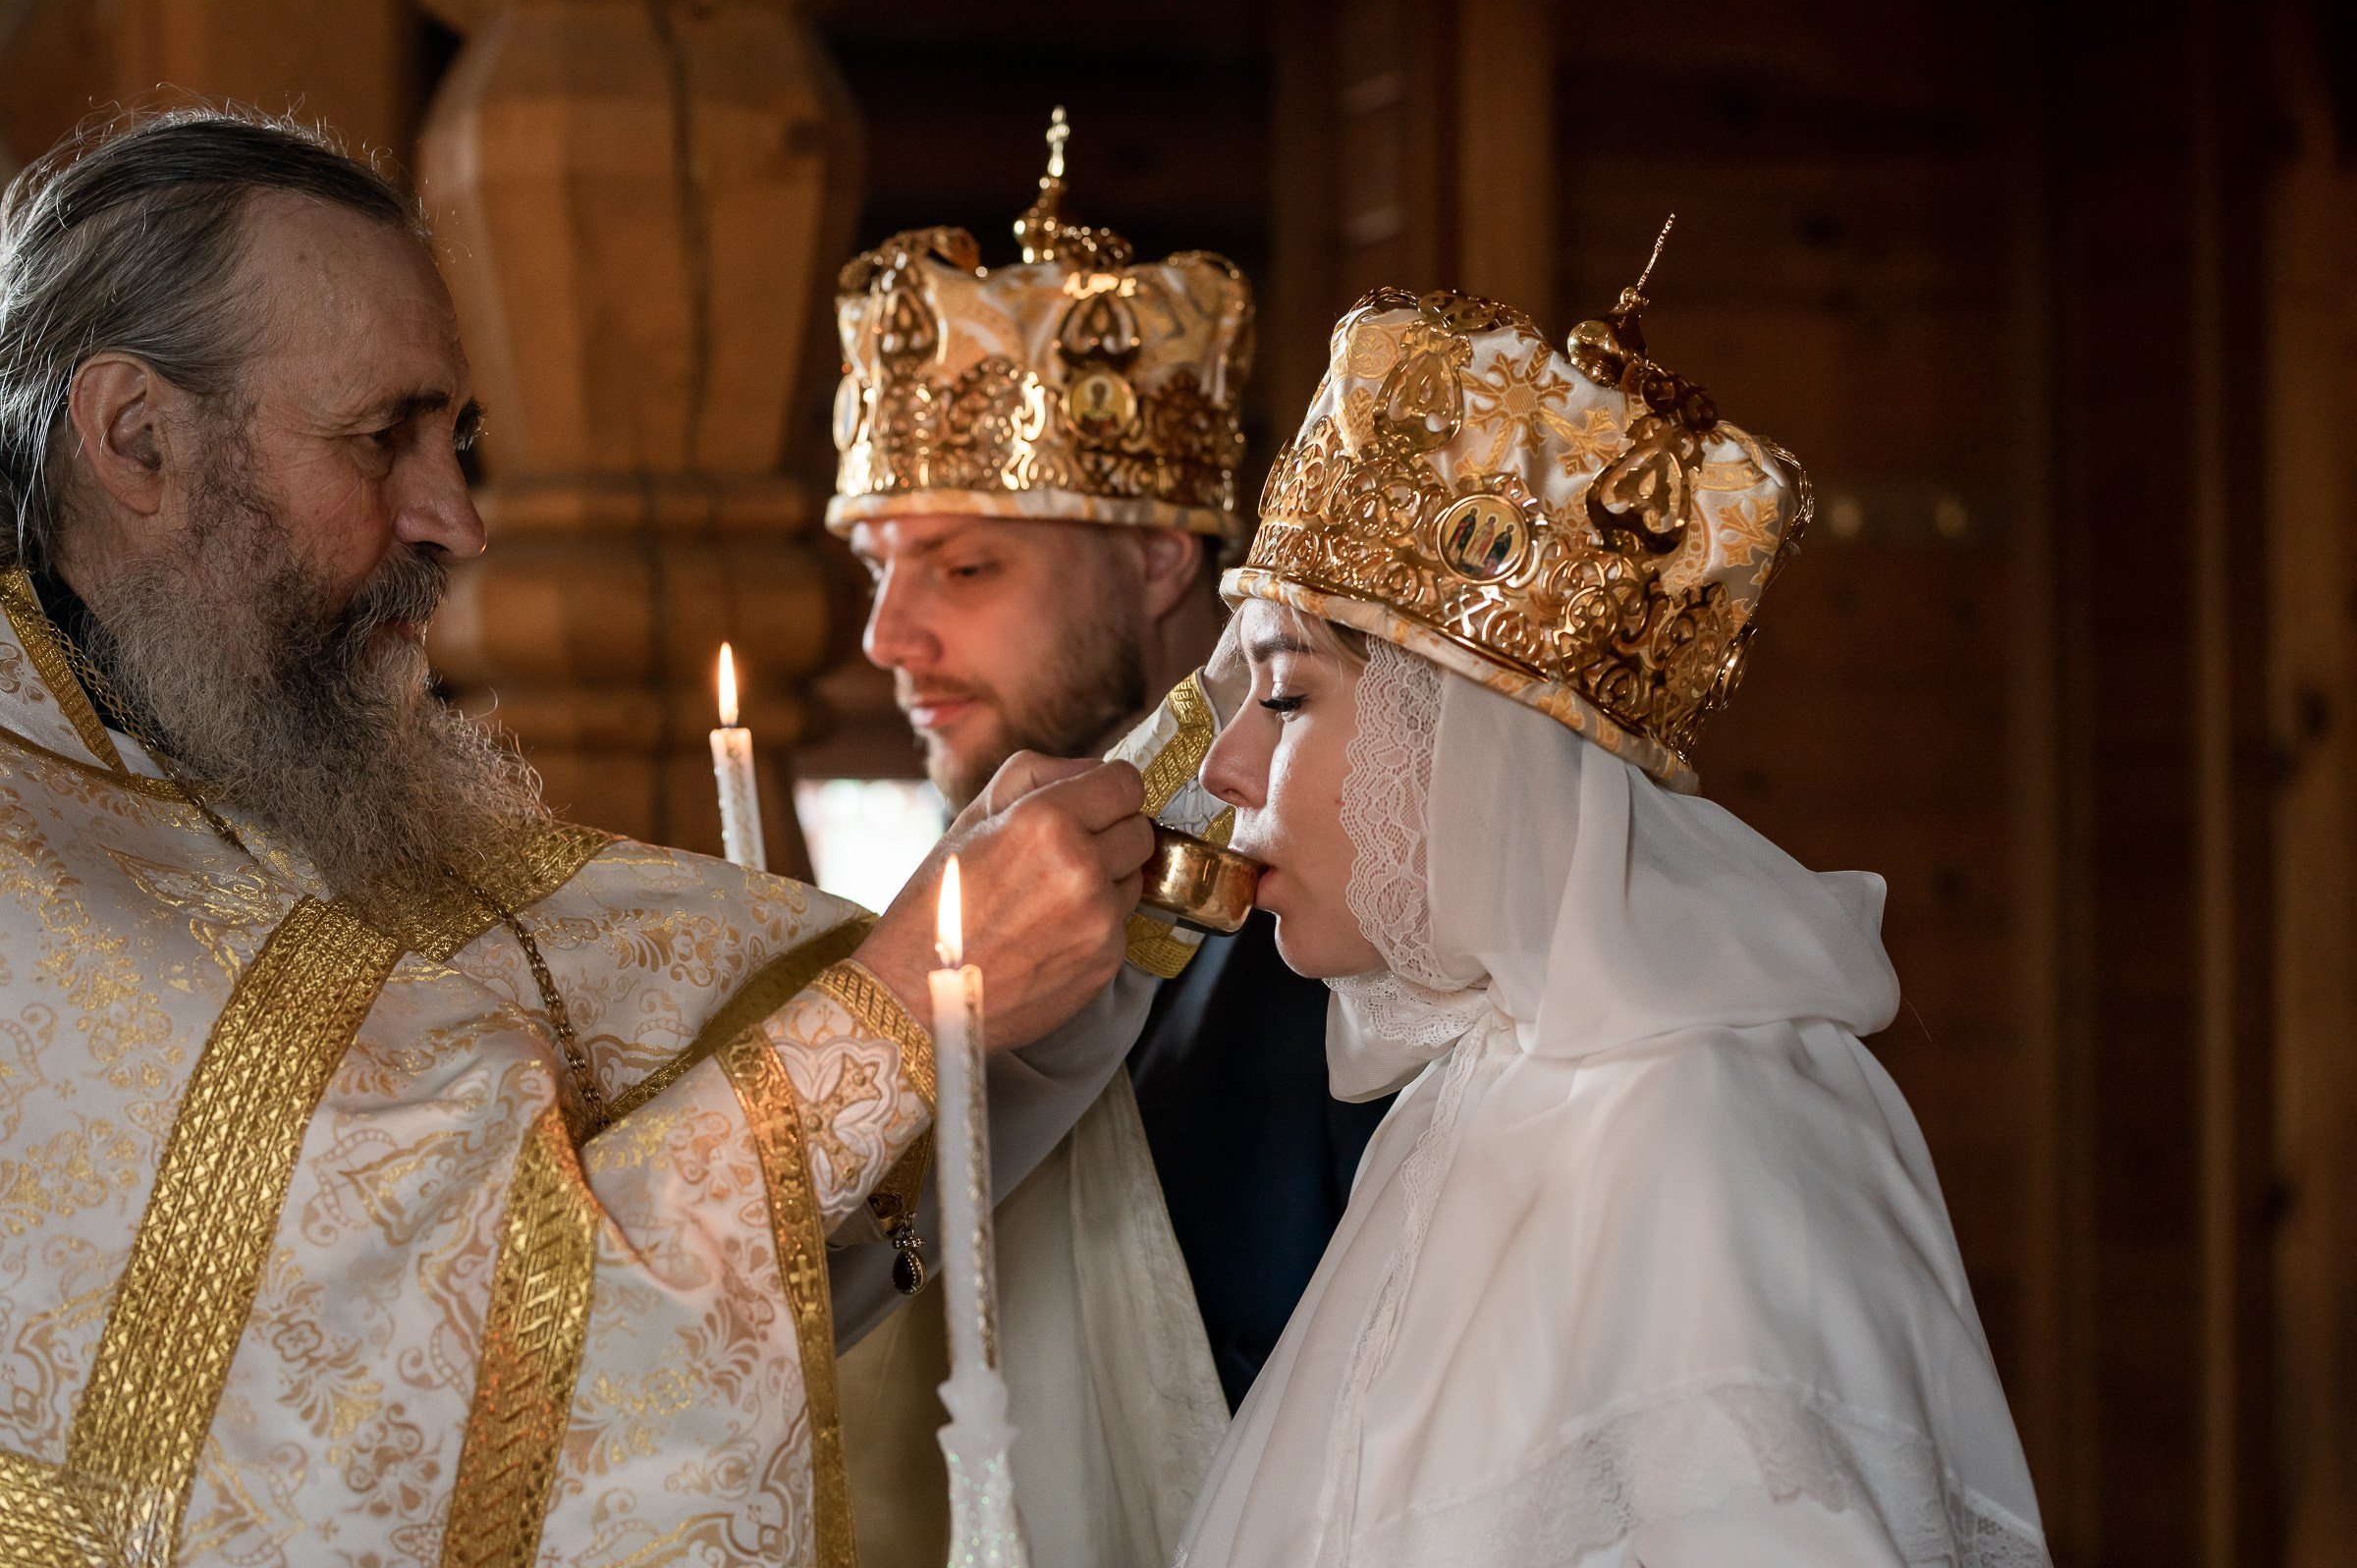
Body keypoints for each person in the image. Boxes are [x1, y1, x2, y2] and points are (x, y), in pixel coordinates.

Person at [0, 109, 1157, 1568]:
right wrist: (909, 999)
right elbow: (414, 1392)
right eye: (384, 437)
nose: (457, 521)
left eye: (458, 441)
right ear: (137, 439)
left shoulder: (205, 743)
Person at [1177, 276, 2050, 1565]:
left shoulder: (1714, 1130)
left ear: (1467, 743)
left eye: (1290, 700)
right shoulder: (1465, 1096)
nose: (1223, 772)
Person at [824, 113, 1384, 1568]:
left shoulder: (1352, 906)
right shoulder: (950, 898)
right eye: (880, 569)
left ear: (1157, 556)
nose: (890, 638)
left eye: (965, 563)